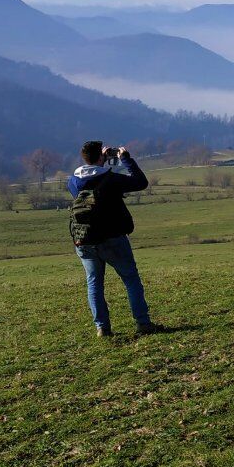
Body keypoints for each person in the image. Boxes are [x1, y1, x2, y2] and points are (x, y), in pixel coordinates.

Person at [68, 141, 162, 337]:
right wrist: (125, 159)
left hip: (84, 239)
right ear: (101, 157)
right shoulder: (111, 179)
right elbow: (140, 182)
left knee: (94, 283)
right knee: (130, 279)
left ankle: (102, 327)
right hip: (112, 238)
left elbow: (90, 183)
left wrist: (100, 162)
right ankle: (143, 323)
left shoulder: (73, 181)